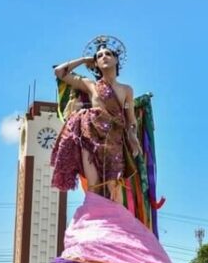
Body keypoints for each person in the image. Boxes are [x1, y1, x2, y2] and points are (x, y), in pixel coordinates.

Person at [51, 35, 142, 202]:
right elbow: (59, 72)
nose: (104, 57)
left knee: (113, 187)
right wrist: (85, 59)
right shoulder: (91, 85)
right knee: (94, 185)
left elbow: (130, 119)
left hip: (114, 140)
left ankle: (115, 224)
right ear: (96, 63)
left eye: (108, 54)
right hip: (90, 137)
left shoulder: (126, 90)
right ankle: (94, 219)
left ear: (116, 60)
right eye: (99, 56)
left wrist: (133, 136)